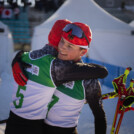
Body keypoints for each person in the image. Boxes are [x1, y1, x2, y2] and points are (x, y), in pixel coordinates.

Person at [6, 19, 108, 134]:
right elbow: (101, 71)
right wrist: (17, 58)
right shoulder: (53, 65)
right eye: (62, 41)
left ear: (83, 52)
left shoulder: (88, 80)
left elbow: (99, 117)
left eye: (69, 45)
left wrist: (18, 57)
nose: (62, 47)